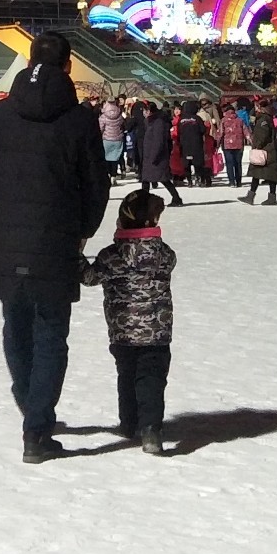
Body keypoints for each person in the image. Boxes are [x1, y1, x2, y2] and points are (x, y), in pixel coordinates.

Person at [0, 31, 108, 463]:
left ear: (29, 62)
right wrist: (83, 227)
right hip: (57, 237)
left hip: (9, 237)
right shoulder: (80, 119)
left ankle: (29, 399)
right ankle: (37, 426)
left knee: (16, 324)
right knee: (50, 333)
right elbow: (96, 182)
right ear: (68, 66)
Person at [81, 188, 177, 456]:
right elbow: (171, 262)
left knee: (127, 375)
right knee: (153, 380)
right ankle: (151, 429)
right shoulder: (164, 253)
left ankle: (129, 422)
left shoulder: (113, 255)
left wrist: (76, 254)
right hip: (158, 332)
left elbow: (89, 277)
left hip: (122, 332)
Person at [133, 101, 184, 206]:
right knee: (146, 180)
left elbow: (158, 141)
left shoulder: (158, 122)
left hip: (157, 156)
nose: (144, 113)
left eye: (145, 111)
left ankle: (176, 198)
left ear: (150, 111)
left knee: (163, 179)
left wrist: (154, 156)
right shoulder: (149, 121)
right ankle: (144, 202)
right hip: (149, 155)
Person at [243, 104, 277, 206]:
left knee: (261, 173)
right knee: (264, 174)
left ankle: (252, 196)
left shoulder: (263, 120)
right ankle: (259, 196)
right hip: (269, 151)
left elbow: (263, 135)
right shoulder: (267, 118)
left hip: (264, 151)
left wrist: (257, 146)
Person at [174, 100, 211, 187]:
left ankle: (189, 181)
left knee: (186, 164)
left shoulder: (181, 120)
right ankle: (199, 179)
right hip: (196, 144)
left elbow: (178, 132)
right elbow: (203, 130)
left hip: (185, 145)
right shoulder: (197, 119)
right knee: (197, 163)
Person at [217, 102, 248, 191]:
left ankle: (232, 181)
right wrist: (252, 141)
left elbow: (220, 133)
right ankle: (238, 181)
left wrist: (217, 144)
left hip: (227, 145)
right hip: (239, 144)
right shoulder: (240, 120)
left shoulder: (223, 120)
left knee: (229, 163)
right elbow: (246, 131)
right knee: (238, 163)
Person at [99, 98, 127, 180]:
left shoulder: (103, 116)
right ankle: (114, 175)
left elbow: (100, 128)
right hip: (118, 138)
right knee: (115, 157)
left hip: (106, 139)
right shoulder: (119, 114)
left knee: (107, 157)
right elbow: (123, 125)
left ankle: (108, 173)